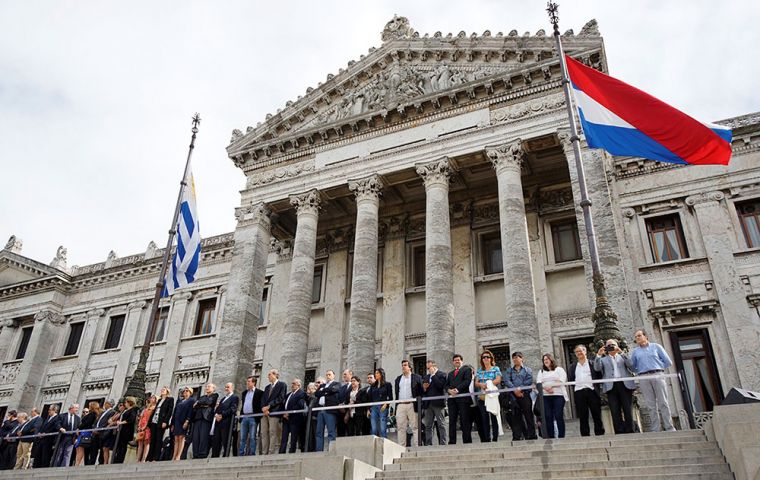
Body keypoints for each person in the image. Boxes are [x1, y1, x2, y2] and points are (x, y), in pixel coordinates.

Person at [631, 329, 676, 432]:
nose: (637, 338)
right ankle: (656, 429)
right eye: (636, 337)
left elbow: (668, 362)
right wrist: (641, 371)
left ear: (645, 336)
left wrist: (658, 368)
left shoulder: (656, 347)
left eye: (639, 335)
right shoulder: (635, 352)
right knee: (650, 404)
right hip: (644, 377)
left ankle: (669, 427)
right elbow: (633, 367)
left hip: (657, 374)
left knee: (663, 402)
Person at [594, 339, 636, 434]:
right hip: (611, 386)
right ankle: (619, 430)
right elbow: (597, 368)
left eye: (613, 345)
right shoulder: (603, 359)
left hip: (624, 384)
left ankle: (630, 429)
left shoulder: (623, 356)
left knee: (627, 408)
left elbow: (631, 365)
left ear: (617, 345)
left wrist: (621, 352)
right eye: (608, 345)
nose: (611, 347)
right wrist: (599, 355)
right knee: (615, 410)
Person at [568, 345, 605, 437]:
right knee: (582, 415)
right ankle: (585, 435)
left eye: (581, 351)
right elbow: (571, 378)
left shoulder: (592, 363)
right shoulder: (573, 366)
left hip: (592, 391)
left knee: (596, 413)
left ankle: (599, 433)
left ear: (585, 351)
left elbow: (599, 375)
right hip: (579, 392)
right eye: (577, 352)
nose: (579, 353)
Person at [504, 352, 536, 441]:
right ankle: (519, 435)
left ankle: (532, 435)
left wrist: (520, 389)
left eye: (517, 357)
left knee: (528, 415)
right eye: (513, 358)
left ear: (522, 358)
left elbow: (529, 380)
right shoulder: (509, 370)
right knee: (516, 416)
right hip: (513, 396)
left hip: (524, 394)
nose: (515, 359)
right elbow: (507, 381)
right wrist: (515, 390)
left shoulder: (527, 370)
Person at [536, 353, 568, 439]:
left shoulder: (559, 370)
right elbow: (539, 383)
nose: (545, 361)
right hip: (545, 397)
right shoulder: (541, 371)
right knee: (548, 416)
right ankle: (551, 436)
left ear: (551, 360)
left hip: (558, 395)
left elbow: (562, 380)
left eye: (547, 359)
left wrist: (551, 386)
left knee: (558, 415)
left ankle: (561, 436)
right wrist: (547, 388)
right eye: (544, 360)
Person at [475, 349, 502, 442]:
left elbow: (498, 380)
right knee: (484, 418)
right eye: (484, 357)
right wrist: (481, 385)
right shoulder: (480, 370)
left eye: (487, 357)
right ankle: (487, 438)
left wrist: (488, 384)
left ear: (491, 358)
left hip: (492, 396)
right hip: (482, 397)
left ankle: (495, 437)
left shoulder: (496, 368)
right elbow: (476, 382)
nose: (485, 359)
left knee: (494, 416)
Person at [394, 359, 423, 447]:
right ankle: (401, 446)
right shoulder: (398, 379)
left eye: (405, 365)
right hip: (401, 405)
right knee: (400, 427)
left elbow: (421, 392)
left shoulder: (417, 377)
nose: (403, 367)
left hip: (412, 404)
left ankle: (417, 445)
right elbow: (397, 392)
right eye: (402, 365)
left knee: (415, 426)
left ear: (410, 367)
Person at [446, 354, 473, 444]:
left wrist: (457, 390)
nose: (457, 361)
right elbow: (446, 385)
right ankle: (452, 441)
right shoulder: (450, 373)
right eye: (455, 360)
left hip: (463, 399)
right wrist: (449, 391)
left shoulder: (467, 369)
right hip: (452, 400)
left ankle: (467, 440)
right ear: (453, 362)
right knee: (452, 420)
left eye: (458, 360)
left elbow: (467, 381)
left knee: (464, 420)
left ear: (461, 361)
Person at [260, 369, 286, 455]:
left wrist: (269, 406)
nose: (268, 376)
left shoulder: (282, 385)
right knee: (263, 433)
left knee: (272, 432)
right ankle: (264, 452)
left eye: (269, 374)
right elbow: (263, 399)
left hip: (275, 412)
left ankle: (271, 452)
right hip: (265, 413)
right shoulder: (267, 387)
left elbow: (281, 398)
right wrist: (264, 408)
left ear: (275, 375)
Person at [422, 360, 447, 446]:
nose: (428, 369)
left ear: (434, 366)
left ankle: (443, 443)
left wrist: (433, 375)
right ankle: (428, 443)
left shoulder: (442, 374)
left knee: (441, 424)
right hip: (428, 404)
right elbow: (424, 392)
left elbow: (440, 386)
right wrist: (424, 389)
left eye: (429, 367)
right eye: (427, 368)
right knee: (428, 425)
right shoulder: (426, 377)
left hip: (438, 403)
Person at [314, 369, 341, 451]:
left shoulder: (337, 384)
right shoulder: (322, 385)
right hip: (321, 410)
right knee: (319, 432)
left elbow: (334, 390)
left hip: (329, 410)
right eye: (327, 375)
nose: (328, 376)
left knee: (331, 431)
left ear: (333, 376)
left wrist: (325, 390)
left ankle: (331, 450)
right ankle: (319, 450)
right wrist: (326, 390)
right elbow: (317, 393)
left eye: (329, 374)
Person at [211, 382, 239, 457]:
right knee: (216, 441)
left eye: (228, 387)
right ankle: (214, 457)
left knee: (225, 441)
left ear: (232, 388)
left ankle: (225, 456)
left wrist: (222, 415)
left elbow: (233, 409)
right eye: (225, 387)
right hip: (218, 422)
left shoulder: (234, 397)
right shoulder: (223, 398)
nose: (226, 388)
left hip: (227, 423)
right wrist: (216, 415)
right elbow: (217, 409)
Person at [191, 383, 218, 459]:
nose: (207, 388)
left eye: (209, 387)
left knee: (204, 436)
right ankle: (195, 454)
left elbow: (209, 402)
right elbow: (195, 406)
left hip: (206, 418)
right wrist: (202, 403)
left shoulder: (215, 395)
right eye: (206, 387)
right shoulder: (202, 397)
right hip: (198, 417)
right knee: (196, 437)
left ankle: (202, 454)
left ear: (213, 389)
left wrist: (199, 403)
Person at [280, 378, 306, 453]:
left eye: (294, 384)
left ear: (299, 385)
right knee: (284, 437)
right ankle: (282, 451)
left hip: (295, 419)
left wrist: (289, 413)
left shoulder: (302, 394)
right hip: (285, 419)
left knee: (293, 437)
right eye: (292, 383)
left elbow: (299, 405)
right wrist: (284, 413)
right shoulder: (288, 395)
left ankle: (292, 452)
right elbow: (283, 404)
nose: (292, 385)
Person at [238, 377, 263, 456]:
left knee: (252, 437)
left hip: (253, 417)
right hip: (244, 417)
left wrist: (258, 418)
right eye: (247, 381)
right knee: (242, 438)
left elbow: (260, 405)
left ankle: (252, 453)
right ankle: (241, 453)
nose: (247, 383)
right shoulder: (244, 393)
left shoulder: (259, 392)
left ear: (254, 383)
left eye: (249, 381)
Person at [148, 386, 174, 461]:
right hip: (154, 421)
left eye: (164, 390)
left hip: (161, 421)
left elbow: (169, 411)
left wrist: (165, 421)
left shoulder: (170, 399)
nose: (162, 391)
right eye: (161, 390)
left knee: (158, 439)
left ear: (167, 391)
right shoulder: (159, 400)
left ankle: (156, 457)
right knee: (152, 439)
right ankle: (150, 457)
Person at [171, 387, 194, 461]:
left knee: (181, 438)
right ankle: (174, 455)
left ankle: (178, 456)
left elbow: (190, 411)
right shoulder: (180, 401)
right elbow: (175, 412)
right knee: (176, 438)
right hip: (177, 421)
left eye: (187, 391)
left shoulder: (191, 400)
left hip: (183, 421)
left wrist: (187, 421)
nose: (185, 392)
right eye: (184, 391)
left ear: (190, 392)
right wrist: (172, 423)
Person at [368, 368, 393, 439]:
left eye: (377, 373)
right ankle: (374, 442)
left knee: (382, 426)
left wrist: (386, 404)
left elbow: (390, 397)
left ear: (381, 374)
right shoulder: (373, 386)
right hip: (374, 407)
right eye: (375, 373)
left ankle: (383, 440)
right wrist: (368, 409)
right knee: (374, 428)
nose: (376, 375)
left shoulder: (387, 384)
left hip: (383, 407)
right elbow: (370, 398)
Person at [113, 397, 137, 464]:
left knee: (123, 445)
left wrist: (121, 422)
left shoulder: (132, 410)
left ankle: (120, 459)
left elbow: (131, 419)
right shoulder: (126, 410)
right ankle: (116, 458)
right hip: (121, 430)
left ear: (129, 402)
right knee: (119, 445)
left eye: (126, 402)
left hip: (126, 431)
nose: (125, 403)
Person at [75, 401, 99, 465]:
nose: (89, 407)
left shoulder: (93, 414)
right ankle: (77, 463)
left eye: (90, 405)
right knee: (79, 448)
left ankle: (77, 464)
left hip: (85, 433)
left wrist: (79, 428)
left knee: (80, 448)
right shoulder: (92, 414)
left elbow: (87, 423)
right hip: (83, 432)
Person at [94, 399, 117, 465]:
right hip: (97, 432)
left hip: (104, 433)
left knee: (104, 448)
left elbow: (107, 423)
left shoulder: (112, 412)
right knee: (99, 448)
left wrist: (100, 430)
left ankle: (103, 462)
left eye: (106, 403)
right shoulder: (103, 412)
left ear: (109, 404)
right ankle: (99, 461)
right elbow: (98, 421)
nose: (104, 405)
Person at [136, 395, 156, 462]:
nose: (151, 399)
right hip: (141, 426)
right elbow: (141, 417)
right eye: (151, 398)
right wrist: (139, 426)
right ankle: (138, 459)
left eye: (153, 398)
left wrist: (145, 426)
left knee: (146, 443)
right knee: (140, 443)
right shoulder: (146, 408)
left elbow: (150, 418)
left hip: (147, 427)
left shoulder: (154, 408)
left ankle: (144, 459)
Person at [337, 369, 353, 437]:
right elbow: (339, 398)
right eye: (343, 374)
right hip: (341, 412)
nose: (344, 376)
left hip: (350, 411)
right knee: (341, 432)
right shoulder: (341, 388)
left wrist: (347, 411)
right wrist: (340, 406)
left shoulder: (354, 386)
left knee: (350, 431)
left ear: (350, 374)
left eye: (345, 374)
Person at [305, 381, 319, 451]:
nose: (309, 390)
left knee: (314, 434)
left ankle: (314, 448)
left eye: (310, 388)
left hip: (314, 418)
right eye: (308, 388)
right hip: (310, 418)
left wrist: (314, 415)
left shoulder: (315, 396)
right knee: (310, 434)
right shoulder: (309, 397)